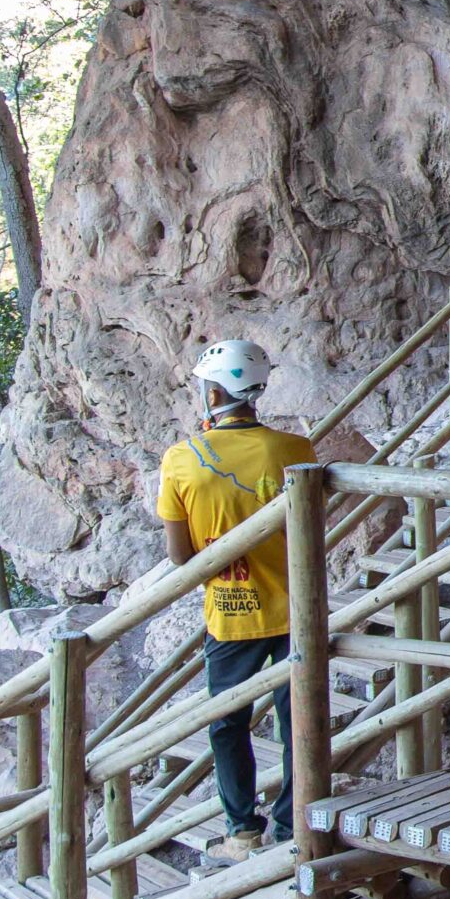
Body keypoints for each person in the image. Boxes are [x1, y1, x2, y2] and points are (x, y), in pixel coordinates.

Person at [155, 339, 315, 861]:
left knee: (227, 722)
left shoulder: (182, 460)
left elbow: (181, 556)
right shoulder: (295, 448)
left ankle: (242, 831)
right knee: (297, 719)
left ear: (216, 390)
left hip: (230, 610)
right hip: (296, 607)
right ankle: (295, 825)